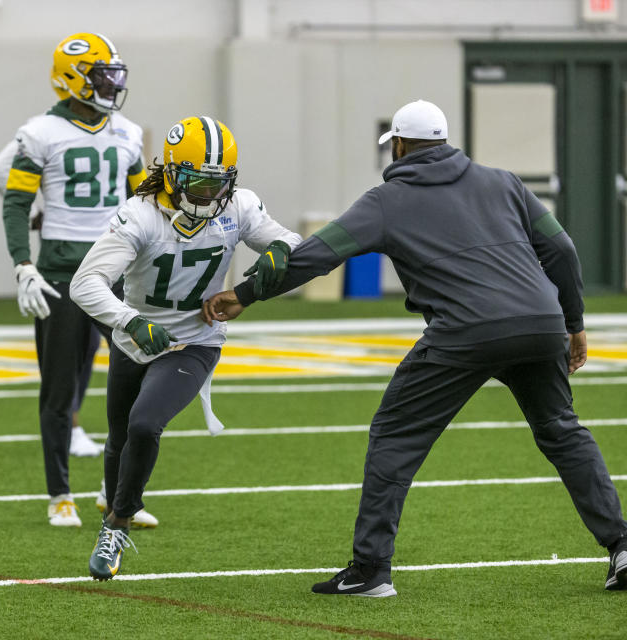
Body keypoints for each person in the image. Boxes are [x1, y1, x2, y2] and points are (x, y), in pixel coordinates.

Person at [203, 99, 627, 595]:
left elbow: (318, 255)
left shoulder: (387, 199)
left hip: (465, 331)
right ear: (445, 141)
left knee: (395, 436)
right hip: (540, 323)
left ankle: (370, 569)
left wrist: (246, 294)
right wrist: (574, 323)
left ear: (399, 145)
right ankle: (621, 545)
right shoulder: (505, 182)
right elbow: (562, 249)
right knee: (561, 431)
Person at [71, 116, 303, 580]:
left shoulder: (240, 206)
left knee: (144, 423)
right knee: (119, 437)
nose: (208, 196)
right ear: (173, 174)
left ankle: (117, 524)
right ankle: (117, 507)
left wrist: (278, 252)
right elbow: (85, 283)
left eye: (218, 184)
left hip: (195, 340)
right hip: (135, 339)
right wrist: (130, 320)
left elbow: (288, 240)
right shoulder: (139, 215)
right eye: (197, 182)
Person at [0, 32, 156, 528]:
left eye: (114, 75)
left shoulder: (128, 133)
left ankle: (117, 493)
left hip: (116, 275)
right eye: (101, 75)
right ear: (72, 78)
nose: (111, 85)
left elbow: (146, 206)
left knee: (129, 385)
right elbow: (16, 202)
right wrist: (23, 263)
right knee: (60, 388)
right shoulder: (40, 132)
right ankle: (58, 493)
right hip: (63, 273)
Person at [0, 141, 104, 458]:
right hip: (64, 251)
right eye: (103, 86)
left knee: (92, 342)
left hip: (102, 247)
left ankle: (71, 423)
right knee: (69, 345)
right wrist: (40, 211)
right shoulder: (46, 132)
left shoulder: (118, 130)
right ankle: (70, 424)